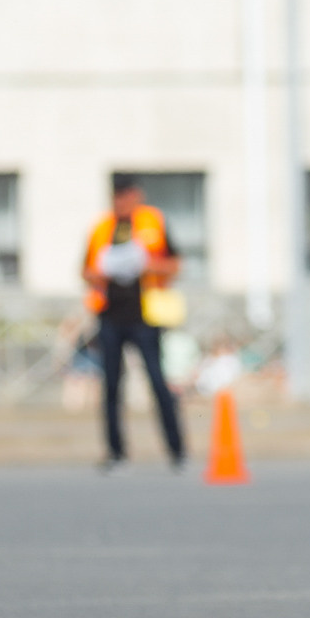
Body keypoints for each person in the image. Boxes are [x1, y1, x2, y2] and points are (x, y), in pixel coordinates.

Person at [82, 176, 187, 470]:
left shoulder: (153, 222)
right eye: (116, 197)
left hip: (145, 316)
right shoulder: (102, 227)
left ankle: (177, 450)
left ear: (136, 196)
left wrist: (146, 265)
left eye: (125, 196)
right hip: (109, 316)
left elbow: (175, 264)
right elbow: (86, 270)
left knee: (157, 381)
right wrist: (105, 271)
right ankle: (116, 452)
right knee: (111, 386)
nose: (121, 203)